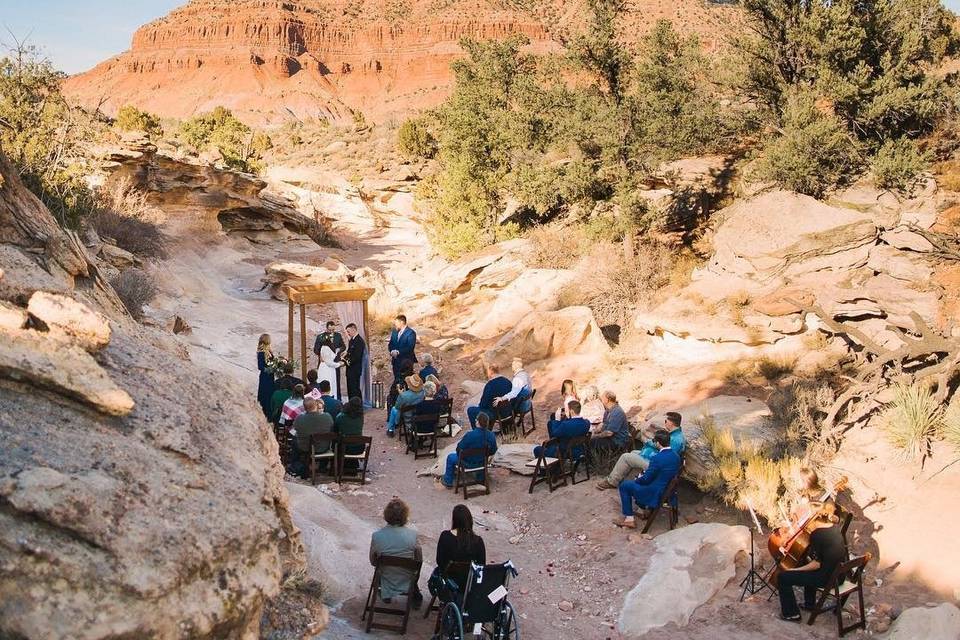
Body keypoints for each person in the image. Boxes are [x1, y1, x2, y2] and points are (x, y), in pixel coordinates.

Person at [776, 502, 848, 622]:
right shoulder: (835, 528)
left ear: (816, 516)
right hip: (839, 576)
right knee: (807, 566)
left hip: (827, 579)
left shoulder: (817, 535)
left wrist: (794, 569)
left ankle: (792, 614)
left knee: (783, 577)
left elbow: (816, 564)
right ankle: (810, 604)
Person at [597, 411, 685, 490]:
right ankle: (620, 478)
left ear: (671, 423)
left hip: (655, 465)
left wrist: (649, 444)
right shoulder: (675, 435)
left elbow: (666, 456)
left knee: (625, 457)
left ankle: (612, 482)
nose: (665, 423)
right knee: (633, 452)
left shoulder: (676, 440)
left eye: (666, 421)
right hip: (654, 458)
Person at [613, 429, 681, 529]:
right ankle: (644, 510)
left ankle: (629, 519)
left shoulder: (657, 458)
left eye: (654, 441)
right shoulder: (676, 456)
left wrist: (637, 480)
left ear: (658, 443)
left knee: (625, 485)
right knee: (638, 481)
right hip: (669, 491)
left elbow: (646, 479)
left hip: (656, 493)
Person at [370, 498, 423, 608]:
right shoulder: (413, 536)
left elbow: (373, 561)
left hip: (385, 577)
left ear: (387, 515)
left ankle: (385, 592)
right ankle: (415, 594)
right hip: (407, 579)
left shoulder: (377, 536)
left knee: (381, 569)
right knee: (412, 568)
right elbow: (419, 560)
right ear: (405, 515)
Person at [434, 504, 487, 593]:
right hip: (469, 583)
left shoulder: (445, 536)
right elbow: (482, 565)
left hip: (450, 582)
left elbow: (439, 561)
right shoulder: (478, 541)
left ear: (454, 520)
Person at [442, 413, 498, 488]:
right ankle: (480, 478)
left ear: (478, 422)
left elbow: (459, 449)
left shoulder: (470, 435)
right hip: (482, 462)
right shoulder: (491, 435)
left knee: (450, 457)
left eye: (476, 420)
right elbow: (493, 450)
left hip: (467, 462)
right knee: (479, 458)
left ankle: (448, 481)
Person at [290, 397, 334, 476]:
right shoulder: (327, 417)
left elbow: (295, 429)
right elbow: (331, 427)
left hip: (305, 448)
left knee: (294, 441)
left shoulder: (299, 418)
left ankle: (296, 466)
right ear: (316, 405)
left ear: (304, 408)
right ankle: (322, 467)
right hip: (323, 448)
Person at [467, 363, 512, 429]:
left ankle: (477, 432)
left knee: (470, 410)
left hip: (495, 414)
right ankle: (488, 429)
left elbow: (483, 404)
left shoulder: (490, 385)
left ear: (491, 372)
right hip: (508, 411)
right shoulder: (508, 381)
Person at [314, 320, 346, 398]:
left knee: (336, 382)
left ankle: (338, 399)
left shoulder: (338, 336)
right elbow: (315, 349)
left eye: (333, 330)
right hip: (325, 363)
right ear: (326, 328)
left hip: (335, 362)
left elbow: (343, 346)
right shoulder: (320, 337)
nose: (331, 332)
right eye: (330, 330)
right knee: (324, 382)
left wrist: (339, 349)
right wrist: (321, 354)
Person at [335, 396, 365, 467]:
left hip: (345, 447)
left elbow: (336, 429)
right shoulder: (361, 417)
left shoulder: (341, 417)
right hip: (359, 447)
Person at [388, 314, 417, 384]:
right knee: (397, 381)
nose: (395, 325)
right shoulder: (394, 331)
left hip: (406, 362)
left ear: (401, 322)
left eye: (396, 323)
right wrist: (392, 351)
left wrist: (398, 352)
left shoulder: (411, 333)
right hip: (395, 362)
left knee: (406, 382)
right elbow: (391, 343)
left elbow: (410, 347)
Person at [344, 322, 366, 401]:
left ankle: (357, 406)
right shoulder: (351, 340)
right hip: (350, 369)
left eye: (348, 331)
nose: (348, 333)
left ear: (353, 329)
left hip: (355, 369)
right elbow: (349, 352)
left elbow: (356, 357)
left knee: (355, 390)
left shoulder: (359, 341)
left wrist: (345, 361)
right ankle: (351, 405)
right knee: (350, 389)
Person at [256, 334, 275, 419]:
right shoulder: (261, 352)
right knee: (265, 394)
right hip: (265, 377)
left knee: (270, 393)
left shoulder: (269, 351)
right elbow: (260, 366)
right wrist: (269, 370)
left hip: (270, 377)